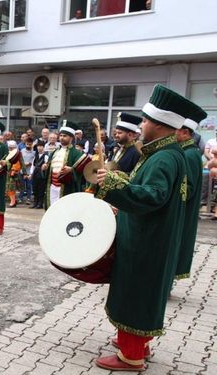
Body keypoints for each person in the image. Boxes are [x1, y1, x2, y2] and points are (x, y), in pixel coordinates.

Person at [94, 84, 196, 371]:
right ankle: (138, 342)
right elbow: (149, 191)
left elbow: (153, 196)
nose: (142, 125)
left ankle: (131, 356)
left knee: (136, 294)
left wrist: (113, 186)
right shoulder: (166, 153)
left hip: (146, 240)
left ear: (160, 125)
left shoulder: (164, 157)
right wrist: (122, 191)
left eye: (146, 120)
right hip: (150, 236)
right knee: (142, 293)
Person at [174, 106, 207, 281]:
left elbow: (189, 188)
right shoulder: (186, 151)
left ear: (185, 133)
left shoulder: (190, 154)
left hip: (182, 211)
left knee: (177, 245)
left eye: (175, 130)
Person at [42, 121, 84, 209]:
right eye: (60, 135)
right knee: (52, 209)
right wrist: (45, 168)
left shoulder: (76, 153)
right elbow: (49, 168)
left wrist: (72, 169)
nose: (61, 138)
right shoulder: (55, 151)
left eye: (65, 136)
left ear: (71, 138)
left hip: (66, 188)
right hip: (52, 187)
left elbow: (82, 171)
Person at [6, 140, 24, 208]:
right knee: (8, 188)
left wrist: (25, 173)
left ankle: (13, 202)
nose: (11, 148)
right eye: (10, 147)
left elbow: (22, 163)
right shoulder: (7, 153)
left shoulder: (18, 153)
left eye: (12, 147)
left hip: (15, 173)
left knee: (11, 188)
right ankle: (13, 201)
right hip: (7, 173)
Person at [31, 140, 49, 209]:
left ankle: (40, 204)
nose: (39, 148)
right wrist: (31, 174)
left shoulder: (46, 156)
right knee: (35, 189)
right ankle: (35, 203)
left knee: (41, 190)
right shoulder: (35, 156)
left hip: (42, 176)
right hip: (35, 175)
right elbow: (33, 165)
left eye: (41, 146)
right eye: (38, 146)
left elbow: (47, 165)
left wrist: (45, 166)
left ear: (43, 147)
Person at [20, 137, 35, 204]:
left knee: (29, 186)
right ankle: (20, 198)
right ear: (25, 144)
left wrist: (30, 163)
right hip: (22, 171)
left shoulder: (34, 152)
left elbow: (35, 162)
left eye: (30, 144)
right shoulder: (22, 151)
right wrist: (23, 164)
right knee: (22, 186)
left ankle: (29, 198)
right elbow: (19, 161)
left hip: (30, 172)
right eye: (27, 144)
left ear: (32, 144)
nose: (28, 145)